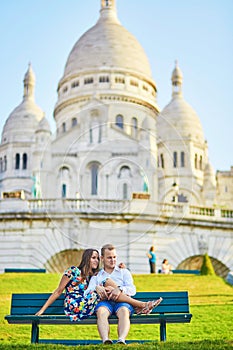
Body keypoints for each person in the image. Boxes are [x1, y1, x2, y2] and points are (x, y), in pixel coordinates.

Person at [35, 248, 162, 325]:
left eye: (97, 258)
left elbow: (105, 276)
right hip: (75, 303)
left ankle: (140, 306)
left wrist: (120, 268)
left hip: (88, 302)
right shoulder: (72, 271)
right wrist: (42, 310)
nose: (96, 261)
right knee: (106, 284)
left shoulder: (94, 275)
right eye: (93, 258)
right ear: (87, 259)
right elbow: (58, 291)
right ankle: (141, 305)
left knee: (108, 284)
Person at [85, 243, 163, 345]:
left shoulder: (123, 272)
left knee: (124, 311)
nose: (113, 260)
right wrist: (97, 288)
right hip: (105, 302)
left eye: (114, 257)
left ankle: (121, 340)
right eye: (109, 258)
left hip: (122, 303)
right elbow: (86, 293)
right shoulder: (97, 276)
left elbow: (132, 290)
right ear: (102, 258)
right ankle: (106, 340)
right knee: (101, 312)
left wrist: (119, 289)